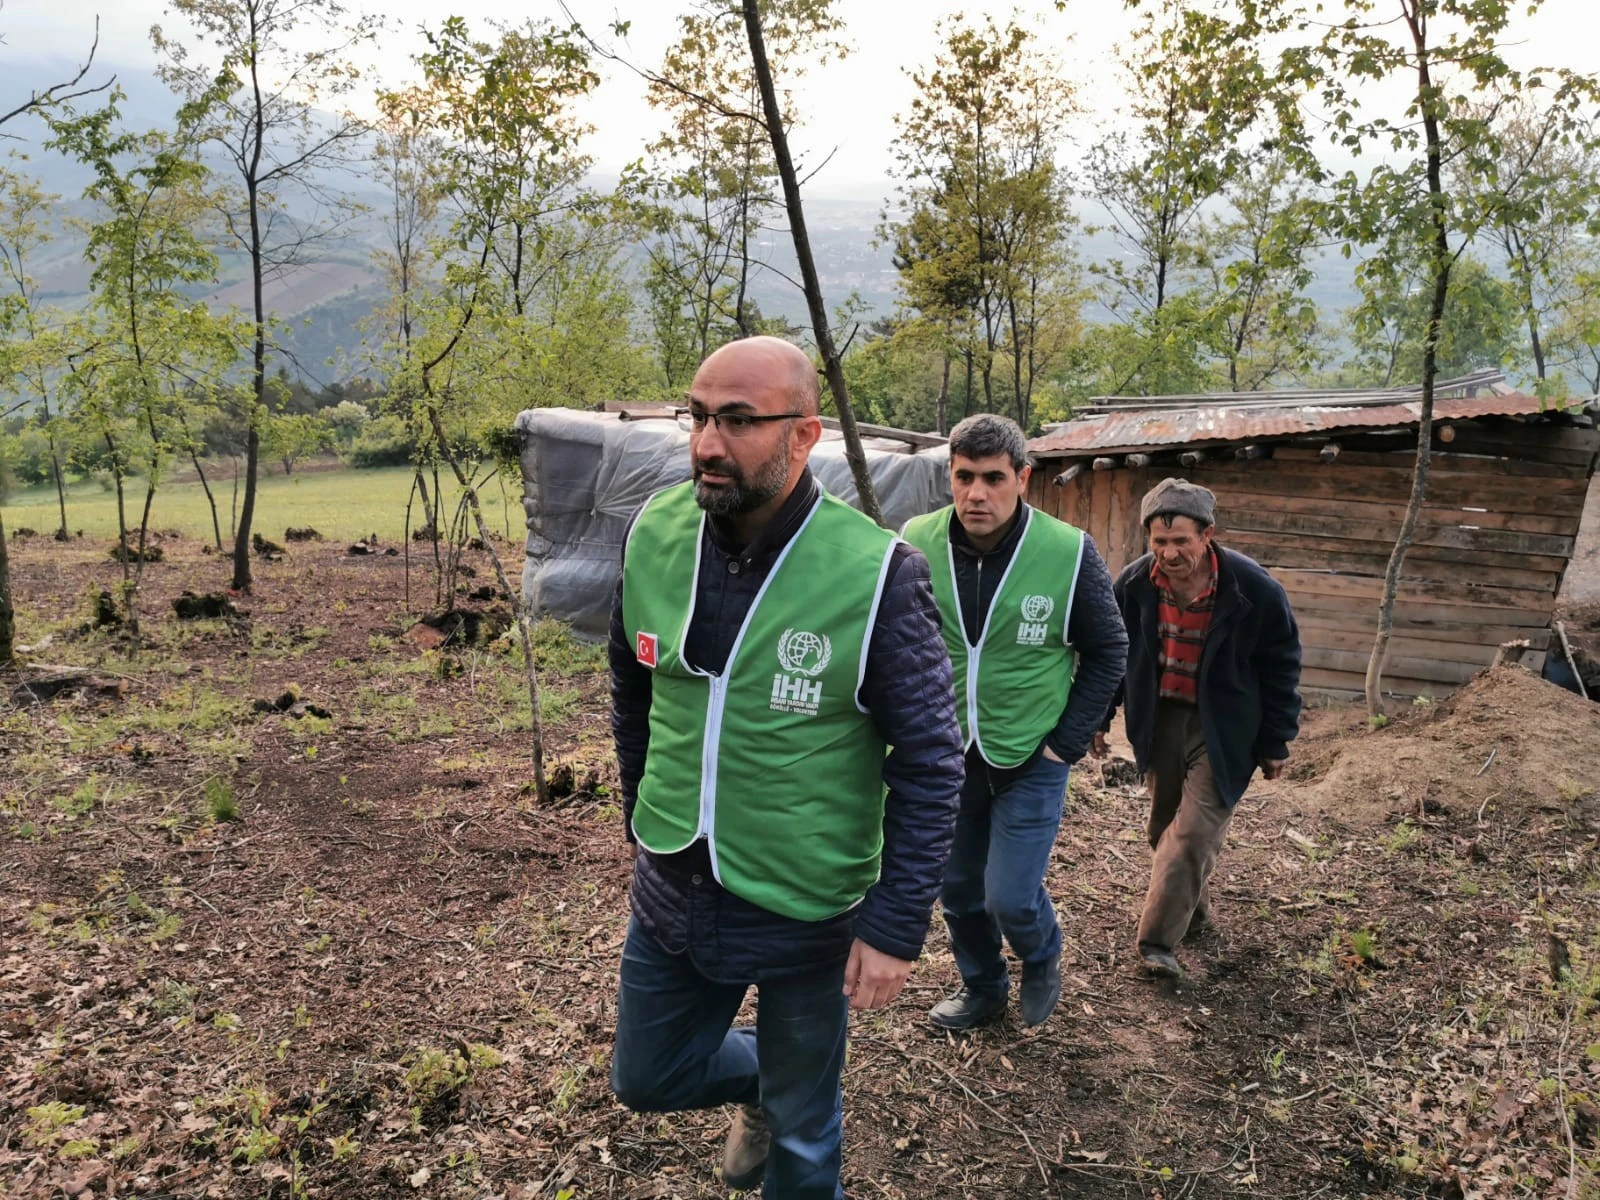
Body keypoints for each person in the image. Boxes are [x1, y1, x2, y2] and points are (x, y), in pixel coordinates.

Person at [607, 336, 965, 1199]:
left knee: (807, 1145)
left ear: (804, 436)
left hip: (807, 906)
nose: (706, 443)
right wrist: (640, 813)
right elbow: (632, 686)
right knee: (646, 1078)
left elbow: (930, 761)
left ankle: (789, 1104)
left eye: (737, 421)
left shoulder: (874, 572)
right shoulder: (655, 535)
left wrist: (893, 926)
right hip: (675, 887)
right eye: (697, 416)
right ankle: (765, 1087)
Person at [901, 414, 1127, 1029]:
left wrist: (1065, 744)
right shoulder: (914, 544)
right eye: (965, 477)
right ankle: (982, 987)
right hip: (947, 755)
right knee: (958, 888)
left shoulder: (1065, 551)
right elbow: (888, 644)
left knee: (1009, 893)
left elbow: (1109, 649)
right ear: (949, 475)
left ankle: (1042, 952)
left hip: (1033, 755)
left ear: (1023, 478)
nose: (978, 493)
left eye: (994, 478)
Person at [1095, 477, 1302, 979]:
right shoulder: (1135, 585)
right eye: (1159, 542)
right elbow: (1113, 654)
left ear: (1207, 535)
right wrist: (1099, 717)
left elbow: (1282, 664)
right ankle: (1196, 911)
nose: (1168, 553)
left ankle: (1156, 945)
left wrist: (1276, 739)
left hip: (1225, 729)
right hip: (1160, 721)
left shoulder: (1251, 589)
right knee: (1163, 828)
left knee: (1190, 834)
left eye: (1180, 541)